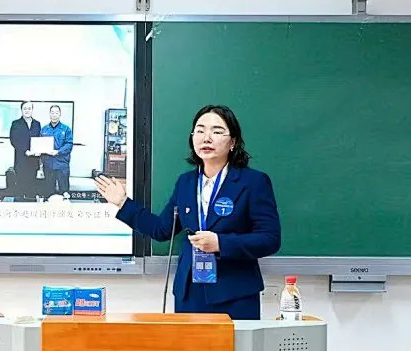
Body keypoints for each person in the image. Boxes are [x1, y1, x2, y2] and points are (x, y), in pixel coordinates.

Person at [95, 104, 280, 320]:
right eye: (200, 130)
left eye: (217, 131)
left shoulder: (253, 182)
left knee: (235, 344)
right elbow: (162, 229)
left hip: (234, 294)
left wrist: (221, 243)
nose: (206, 138)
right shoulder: (186, 182)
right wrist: (123, 203)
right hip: (189, 292)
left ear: (233, 142)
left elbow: (270, 239)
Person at [8, 101, 42, 201]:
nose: (27, 111)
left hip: (33, 160)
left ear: (32, 110)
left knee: (32, 189)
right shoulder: (16, 123)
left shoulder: (37, 124)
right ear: (22, 110)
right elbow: (13, 140)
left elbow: (39, 139)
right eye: (25, 109)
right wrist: (25, 151)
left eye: (29, 108)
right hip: (21, 160)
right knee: (20, 188)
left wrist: (39, 150)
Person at [38, 105, 73, 198]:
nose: (54, 115)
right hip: (48, 164)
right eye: (52, 113)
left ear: (60, 114)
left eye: (56, 113)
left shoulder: (66, 129)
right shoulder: (44, 129)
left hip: (62, 164)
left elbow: (69, 144)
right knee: (48, 191)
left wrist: (58, 151)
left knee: (64, 192)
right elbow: (40, 145)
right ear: (49, 114)